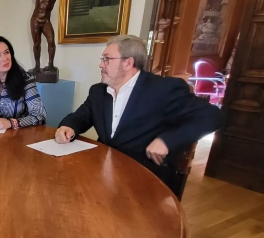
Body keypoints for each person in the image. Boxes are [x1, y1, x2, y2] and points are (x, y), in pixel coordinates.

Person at [55, 35, 223, 188]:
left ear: (128, 63)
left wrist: (166, 140)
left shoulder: (163, 89)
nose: (101, 64)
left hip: (144, 179)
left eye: (107, 59)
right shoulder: (98, 91)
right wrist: (68, 127)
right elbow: (80, 117)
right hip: (102, 173)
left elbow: (213, 116)